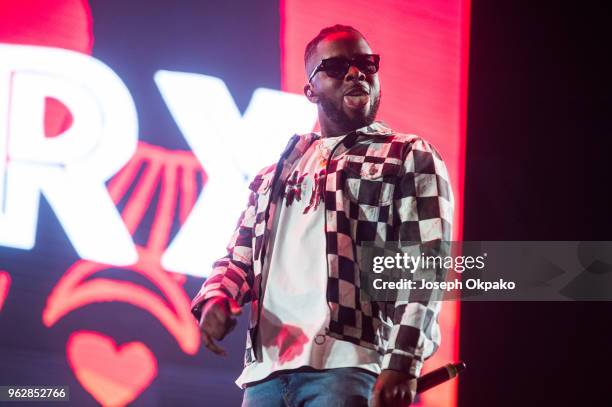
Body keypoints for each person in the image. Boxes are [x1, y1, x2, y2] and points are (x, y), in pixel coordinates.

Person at [191, 24, 454, 407]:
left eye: (366, 63)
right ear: (310, 90)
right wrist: (217, 297)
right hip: (264, 375)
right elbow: (239, 258)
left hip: (347, 365)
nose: (355, 73)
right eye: (336, 66)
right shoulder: (274, 175)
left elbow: (427, 261)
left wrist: (403, 362)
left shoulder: (407, 155)